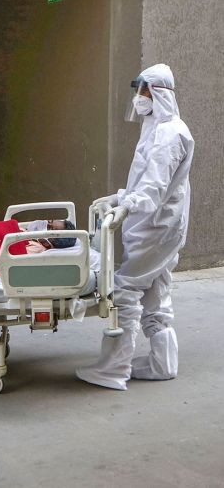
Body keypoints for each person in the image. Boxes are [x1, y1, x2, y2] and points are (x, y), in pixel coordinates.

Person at [77, 63, 194, 390]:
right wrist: (120, 197)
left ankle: (114, 368)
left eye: (145, 91)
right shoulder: (160, 128)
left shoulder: (170, 134)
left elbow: (154, 187)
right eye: (139, 92)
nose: (140, 99)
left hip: (155, 227)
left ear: (159, 93)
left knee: (125, 288)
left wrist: (127, 205)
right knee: (156, 292)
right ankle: (162, 363)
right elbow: (148, 181)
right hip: (158, 226)